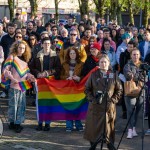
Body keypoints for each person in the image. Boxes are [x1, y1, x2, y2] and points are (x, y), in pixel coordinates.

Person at [84, 54, 122, 150]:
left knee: (108, 133)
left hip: (109, 108)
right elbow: (87, 89)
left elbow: (119, 90)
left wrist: (113, 100)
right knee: (94, 133)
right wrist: (92, 99)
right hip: (95, 108)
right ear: (99, 63)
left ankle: (110, 146)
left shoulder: (113, 75)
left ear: (109, 63)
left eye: (105, 62)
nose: (103, 64)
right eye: (101, 62)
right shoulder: (93, 75)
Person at [2, 40, 35, 133]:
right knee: (13, 105)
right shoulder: (11, 57)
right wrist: (12, 78)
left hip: (23, 86)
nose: (22, 50)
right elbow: (5, 71)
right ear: (16, 47)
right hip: (14, 86)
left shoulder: (25, 60)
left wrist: (31, 76)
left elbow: (26, 72)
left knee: (21, 105)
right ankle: (12, 122)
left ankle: (18, 123)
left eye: (23, 48)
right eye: (20, 47)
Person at [29, 37, 61, 131]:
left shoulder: (55, 56)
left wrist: (47, 73)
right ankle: (40, 122)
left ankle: (47, 123)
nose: (47, 45)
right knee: (40, 103)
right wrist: (38, 73)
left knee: (49, 103)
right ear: (42, 44)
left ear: (50, 44)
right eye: (45, 43)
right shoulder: (37, 55)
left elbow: (58, 69)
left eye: (48, 43)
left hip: (51, 82)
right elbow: (31, 67)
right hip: (40, 83)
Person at [60, 47, 84, 132]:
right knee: (68, 106)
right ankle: (69, 125)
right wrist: (66, 78)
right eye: (71, 53)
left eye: (74, 53)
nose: (72, 55)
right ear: (68, 55)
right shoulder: (64, 64)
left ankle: (78, 124)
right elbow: (60, 76)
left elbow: (84, 76)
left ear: (77, 54)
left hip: (77, 88)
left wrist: (79, 78)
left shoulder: (81, 64)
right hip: (67, 89)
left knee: (77, 106)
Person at [123, 48, 144, 139]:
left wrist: (136, 75)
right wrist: (138, 76)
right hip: (130, 91)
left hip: (141, 91)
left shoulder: (143, 65)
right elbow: (128, 76)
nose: (135, 56)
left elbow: (145, 78)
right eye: (134, 54)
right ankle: (130, 130)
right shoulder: (127, 65)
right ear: (131, 56)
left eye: (137, 54)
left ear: (140, 56)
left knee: (137, 111)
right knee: (131, 110)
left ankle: (134, 128)